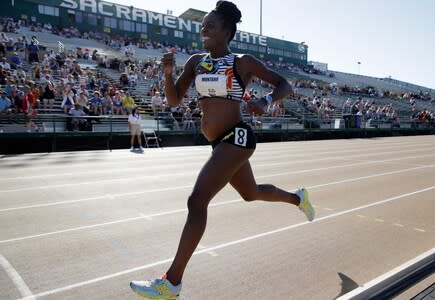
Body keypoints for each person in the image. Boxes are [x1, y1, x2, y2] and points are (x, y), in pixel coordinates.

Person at [129, 1, 315, 299]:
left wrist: (266, 101)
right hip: (219, 143)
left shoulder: (243, 62)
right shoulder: (195, 62)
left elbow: (284, 85)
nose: (204, 28)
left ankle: (171, 282)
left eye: (211, 24)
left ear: (226, 32)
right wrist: (166, 74)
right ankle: (297, 199)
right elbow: (175, 100)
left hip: (238, 137)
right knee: (250, 193)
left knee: (197, 200)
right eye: (203, 24)